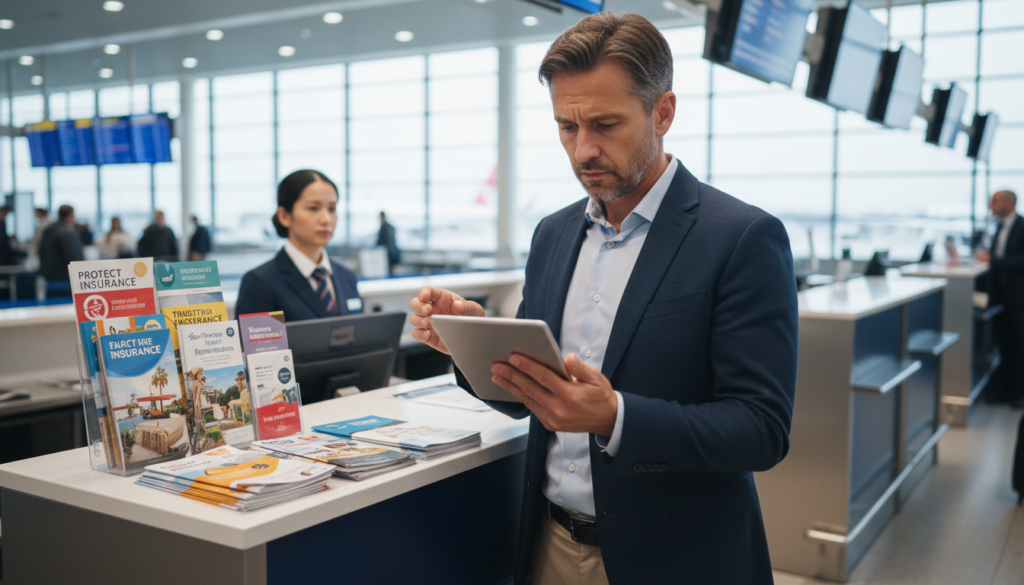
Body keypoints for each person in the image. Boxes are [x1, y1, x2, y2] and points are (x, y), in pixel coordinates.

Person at [409, 13, 797, 585]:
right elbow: (528, 400)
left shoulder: (740, 238)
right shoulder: (554, 233)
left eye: (606, 124)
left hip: (678, 557)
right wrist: (470, 341)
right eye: (567, 126)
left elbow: (761, 428)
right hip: (549, 545)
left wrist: (616, 417)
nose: (583, 149)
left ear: (662, 112)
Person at [235, 169, 363, 322]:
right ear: (284, 216)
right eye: (313, 208)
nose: (326, 219)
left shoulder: (346, 276)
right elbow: (261, 346)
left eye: (332, 209)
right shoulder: (261, 283)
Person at [976, 190, 1024, 406]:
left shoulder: (1022, 226)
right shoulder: (998, 227)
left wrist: (993, 261)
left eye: (994, 201)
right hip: (1000, 298)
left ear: (1008, 202)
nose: (990, 206)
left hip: (1018, 297)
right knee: (1004, 346)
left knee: (1018, 346)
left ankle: (1018, 395)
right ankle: (1006, 392)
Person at [38, 204, 85, 287]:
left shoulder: (48, 230)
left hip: (47, 276)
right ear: (70, 215)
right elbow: (74, 258)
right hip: (63, 278)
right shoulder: (66, 234)